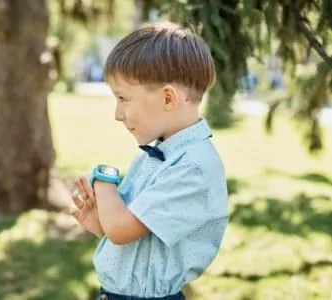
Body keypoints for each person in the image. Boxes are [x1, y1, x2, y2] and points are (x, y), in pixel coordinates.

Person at [69, 21, 229, 300]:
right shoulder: (160, 155)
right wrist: (100, 222)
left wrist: (103, 181)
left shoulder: (192, 167)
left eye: (123, 98)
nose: (117, 114)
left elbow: (121, 229)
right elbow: (134, 240)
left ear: (168, 98)